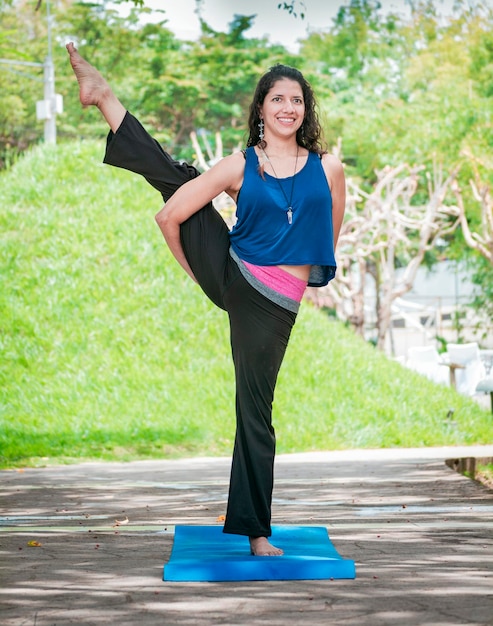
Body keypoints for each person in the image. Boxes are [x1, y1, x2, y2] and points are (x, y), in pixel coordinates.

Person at [67, 42, 346, 557]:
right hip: (232, 274)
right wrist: (203, 277)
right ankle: (256, 532)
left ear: (306, 110)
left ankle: (105, 98)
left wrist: (295, 273)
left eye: (297, 100)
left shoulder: (328, 169)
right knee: (179, 182)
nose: (288, 108)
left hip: (276, 299)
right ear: (261, 108)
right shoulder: (240, 165)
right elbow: (168, 217)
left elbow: (326, 233)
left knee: (254, 406)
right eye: (278, 99)